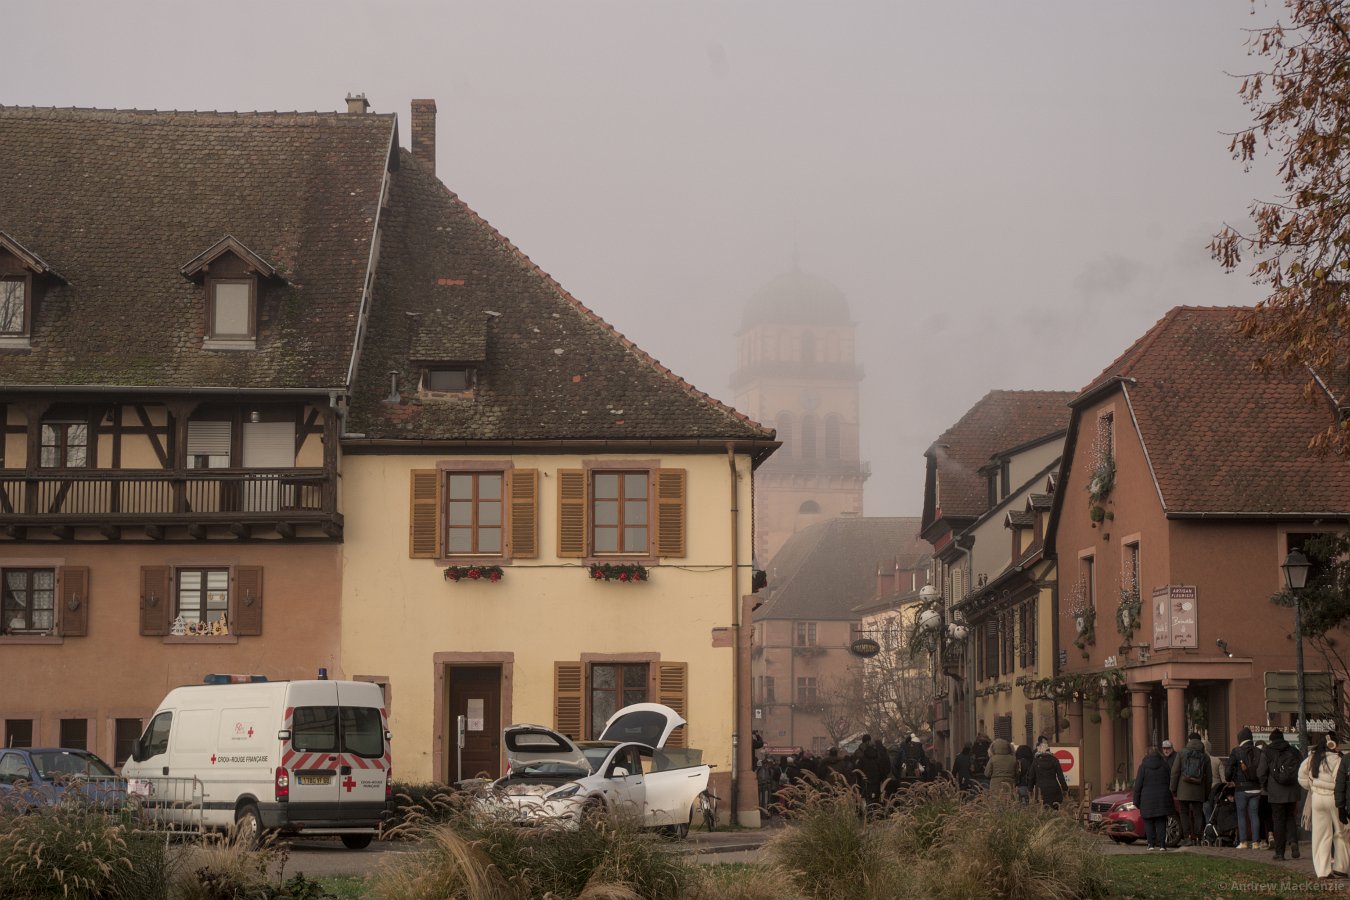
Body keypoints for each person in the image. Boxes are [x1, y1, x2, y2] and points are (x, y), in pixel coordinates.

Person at [1300, 732, 1342, 877]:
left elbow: (1302, 778)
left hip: (1317, 798)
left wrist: (1313, 787)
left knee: (1320, 835)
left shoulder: (1312, 758)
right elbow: (1340, 781)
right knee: (1341, 832)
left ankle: (1322, 871)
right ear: (1333, 744)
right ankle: (1341, 866)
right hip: (1334, 798)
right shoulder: (1338, 759)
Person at [1258, 728, 1305, 861]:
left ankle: (1280, 853)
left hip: (1275, 791)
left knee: (1278, 820)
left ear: (1271, 740)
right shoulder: (1294, 751)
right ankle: (1293, 842)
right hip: (1292, 791)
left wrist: (1265, 786)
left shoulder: (1267, 752)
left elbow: (1261, 772)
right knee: (1290, 816)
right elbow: (1301, 769)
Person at [1170, 731, 1212, 846]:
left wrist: (1173, 788)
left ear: (1189, 740)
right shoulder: (1205, 756)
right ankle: (1198, 837)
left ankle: (1187, 837)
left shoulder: (1182, 753)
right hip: (1199, 790)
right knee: (1198, 813)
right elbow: (1209, 777)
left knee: (1184, 812)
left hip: (1183, 790)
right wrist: (1206, 793)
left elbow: (1175, 772)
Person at [1134, 743, 1175, 850]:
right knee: (1161, 821)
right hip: (1162, 798)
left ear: (1147, 755)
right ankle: (1162, 845)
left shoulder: (1143, 767)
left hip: (1147, 799)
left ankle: (1150, 844)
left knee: (1148, 822)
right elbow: (1170, 780)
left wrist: (1136, 801)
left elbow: (1138, 785)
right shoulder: (1165, 765)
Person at [1229, 726, 1263, 849]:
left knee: (1241, 815)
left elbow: (1229, 770)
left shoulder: (1236, 751)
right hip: (1256, 788)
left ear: (1240, 739)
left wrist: (1231, 779)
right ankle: (1256, 842)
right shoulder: (1259, 751)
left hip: (1241, 788)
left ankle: (1243, 842)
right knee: (1254, 815)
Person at [1032, 741, 1069, 809]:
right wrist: (1065, 789)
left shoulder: (1035, 761)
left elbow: (1031, 777)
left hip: (1040, 789)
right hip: (1054, 789)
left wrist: (1030, 789)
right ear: (1048, 750)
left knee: (1041, 810)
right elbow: (1060, 776)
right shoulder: (1054, 760)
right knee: (1054, 809)